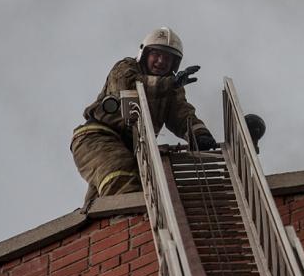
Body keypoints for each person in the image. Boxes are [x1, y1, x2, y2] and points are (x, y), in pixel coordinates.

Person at [71, 27, 217, 210]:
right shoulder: (126, 68)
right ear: (145, 53)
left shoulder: (172, 90)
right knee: (124, 186)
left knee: (98, 208)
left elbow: (182, 114)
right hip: (98, 137)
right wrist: (170, 84)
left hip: (131, 149)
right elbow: (131, 87)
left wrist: (199, 134)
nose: (161, 61)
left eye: (168, 57)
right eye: (156, 54)